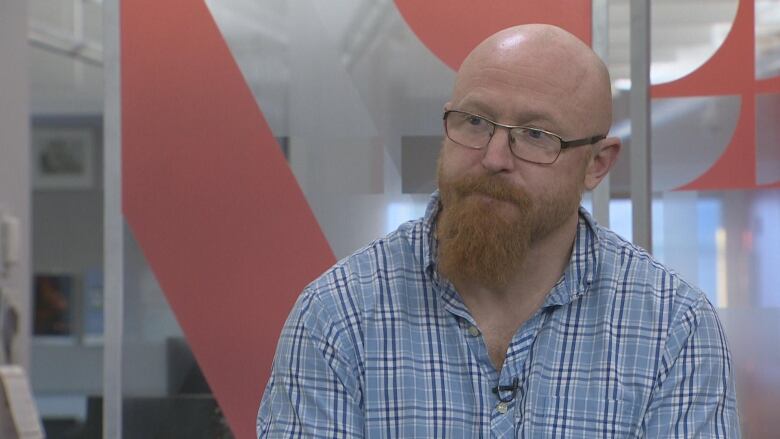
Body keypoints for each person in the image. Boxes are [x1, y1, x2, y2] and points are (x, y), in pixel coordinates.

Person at [257, 24, 740, 438]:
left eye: (536, 135)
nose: (493, 158)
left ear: (596, 164)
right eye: (474, 121)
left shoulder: (671, 327)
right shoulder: (340, 315)